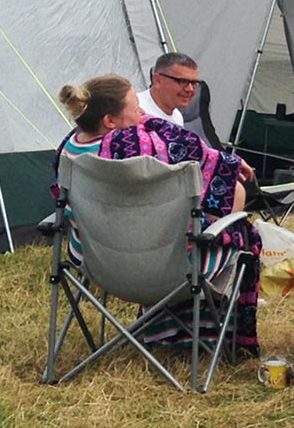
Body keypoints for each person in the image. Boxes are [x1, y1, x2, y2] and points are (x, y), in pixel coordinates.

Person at [53, 74, 262, 356]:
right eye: (135, 106)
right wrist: (228, 163)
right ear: (109, 122)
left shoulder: (69, 151)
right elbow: (208, 173)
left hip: (96, 263)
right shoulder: (140, 151)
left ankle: (164, 328)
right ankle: (201, 333)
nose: (142, 113)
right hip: (168, 270)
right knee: (233, 231)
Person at [138, 52, 199, 127]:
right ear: (158, 80)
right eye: (183, 81)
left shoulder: (177, 117)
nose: (190, 89)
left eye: (194, 83)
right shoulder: (134, 110)